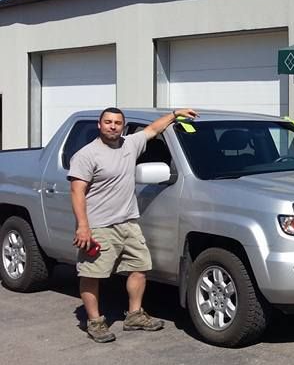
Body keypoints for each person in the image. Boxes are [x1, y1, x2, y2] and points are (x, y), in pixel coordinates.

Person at [69, 106, 198, 343]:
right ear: (99, 125)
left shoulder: (130, 144)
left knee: (140, 266)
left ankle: (134, 315)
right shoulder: (86, 155)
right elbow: (77, 191)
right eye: (108, 122)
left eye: (117, 123)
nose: (113, 126)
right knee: (92, 274)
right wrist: (83, 226)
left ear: (123, 126)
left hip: (129, 222)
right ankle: (95, 322)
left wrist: (174, 115)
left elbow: (152, 130)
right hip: (99, 226)